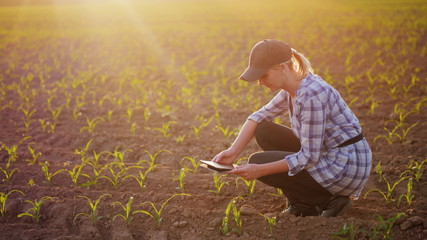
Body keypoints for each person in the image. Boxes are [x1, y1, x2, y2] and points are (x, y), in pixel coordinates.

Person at [212, 39, 372, 217]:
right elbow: (258, 117)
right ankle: (303, 204)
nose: (260, 82)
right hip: (328, 155)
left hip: (344, 166)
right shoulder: (294, 86)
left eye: (263, 75)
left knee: (258, 162)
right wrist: (233, 151)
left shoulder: (311, 96)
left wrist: (259, 171)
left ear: (282, 67)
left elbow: (309, 156)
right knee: (265, 131)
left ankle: (326, 201)